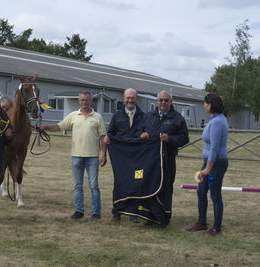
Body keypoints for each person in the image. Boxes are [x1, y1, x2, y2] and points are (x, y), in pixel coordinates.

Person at [41, 91, 107, 220]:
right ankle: (79, 211)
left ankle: (96, 212)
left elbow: (103, 137)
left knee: (94, 186)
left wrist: (103, 154)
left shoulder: (97, 117)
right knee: (77, 185)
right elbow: (59, 126)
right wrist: (45, 127)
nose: (84, 102)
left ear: (91, 101)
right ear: (79, 101)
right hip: (76, 156)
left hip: (92, 157)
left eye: (86, 100)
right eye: (82, 100)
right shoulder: (73, 115)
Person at [137, 90, 189, 225]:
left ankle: (163, 217)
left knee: (165, 187)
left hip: (167, 160)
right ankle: (149, 216)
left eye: (166, 100)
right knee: (149, 186)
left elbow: (184, 138)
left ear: (171, 102)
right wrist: (141, 135)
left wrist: (170, 138)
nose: (163, 103)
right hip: (149, 160)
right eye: (161, 100)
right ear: (156, 101)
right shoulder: (148, 116)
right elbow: (138, 131)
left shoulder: (177, 118)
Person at [186, 93, 228, 236]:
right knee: (201, 191)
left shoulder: (217, 122)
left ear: (210, 104)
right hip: (209, 162)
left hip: (215, 164)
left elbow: (215, 147)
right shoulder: (215, 119)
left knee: (215, 195)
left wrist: (208, 169)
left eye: (205, 103)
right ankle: (202, 223)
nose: (203, 106)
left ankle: (216, 228)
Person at [103, 88, 145, 222]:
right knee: (120, 182)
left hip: (138, 158)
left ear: (136, 98)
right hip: (121, 157)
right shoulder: (117, 115)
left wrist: (145, 135)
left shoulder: (143, 116)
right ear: (123, 98)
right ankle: (117, 211)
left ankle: (134, 213)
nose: (130, 100)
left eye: (132, 98)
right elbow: (111, 133)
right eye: (128, 98)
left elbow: (148, 133)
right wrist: (108, 139)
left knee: (138, 182)